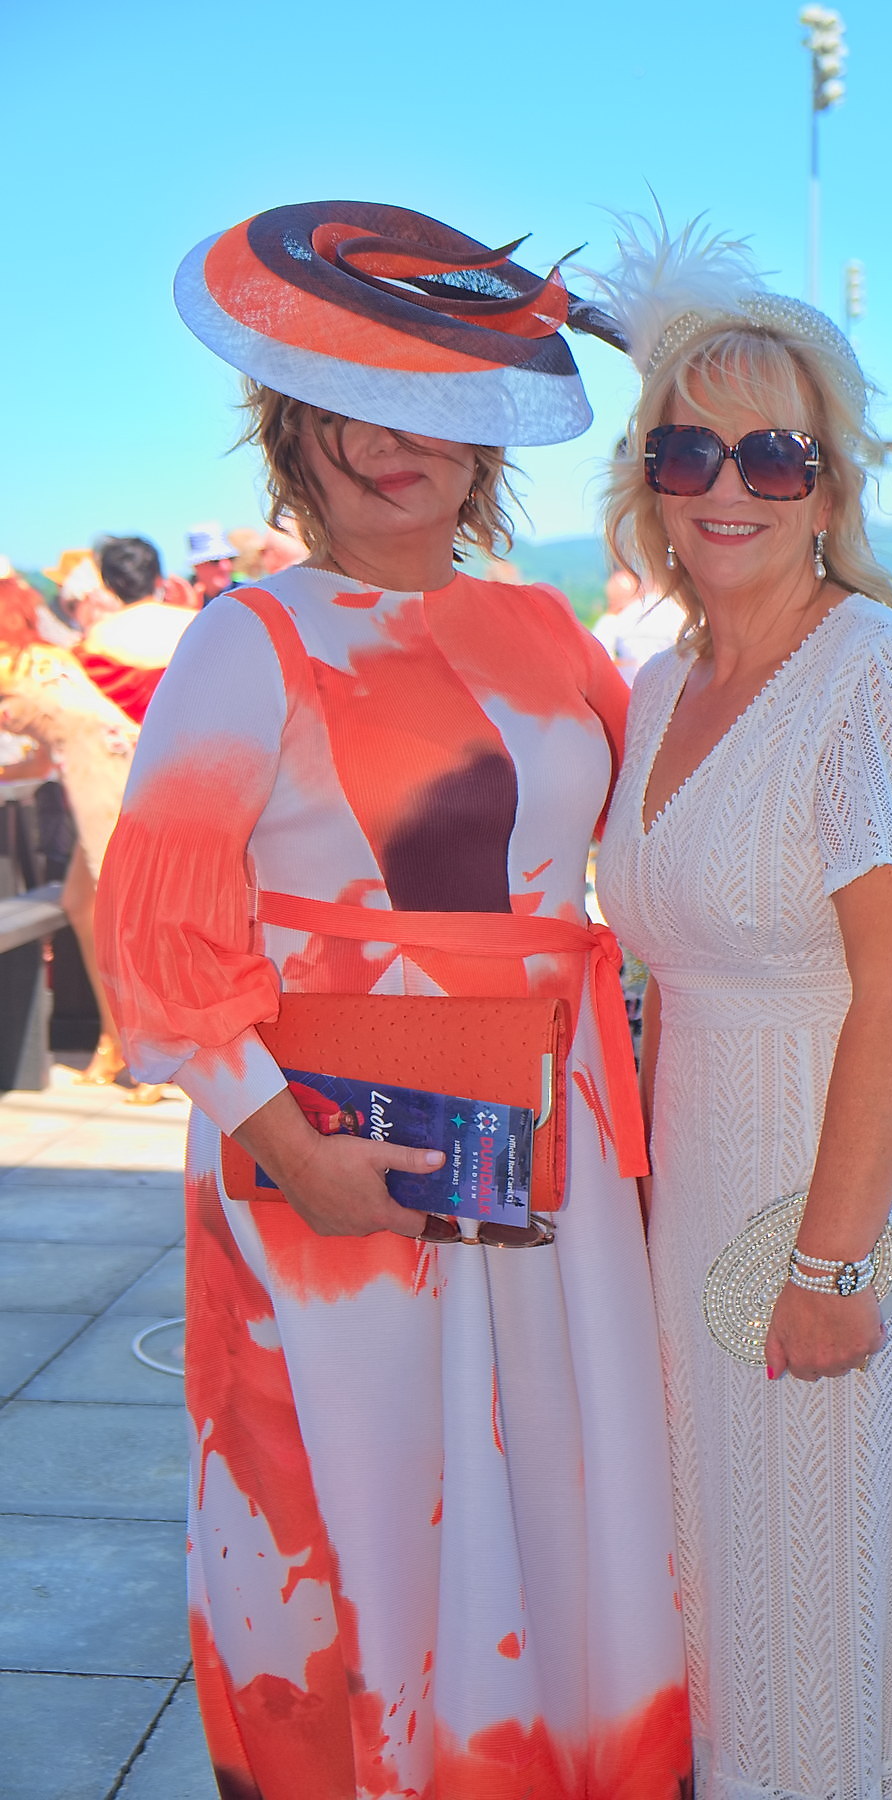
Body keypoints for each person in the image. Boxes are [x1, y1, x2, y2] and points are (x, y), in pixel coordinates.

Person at [95, 200, 689, 1800]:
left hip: (553, 1138)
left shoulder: (548, 629)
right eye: (350, 403)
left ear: (483, 431)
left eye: (431, 400)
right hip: (332, 1151)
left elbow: (659, 843)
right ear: (290, 430)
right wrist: (283, 1147)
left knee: (559, 1478)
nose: (390, 439)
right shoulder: (250, 638)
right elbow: (155, 929)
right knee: (354, 1493)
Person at [592, 216, 892, 1800]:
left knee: (847, 1566)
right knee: (741, 1557)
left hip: (842, 1179)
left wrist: (834, 1264)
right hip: (708, 1163)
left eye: (771, 455)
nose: (724, 486)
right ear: (644, 476)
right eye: (687, 449)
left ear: (832, 489)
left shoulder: (888, 678)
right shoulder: (659, 689)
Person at [0, 572, 143, 1088]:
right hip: (118, 758)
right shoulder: (44, 657)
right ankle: (116, 1040)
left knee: (119, 911)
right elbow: (40, 756)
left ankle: (149, 1054)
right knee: (83, 906)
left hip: (96, 772)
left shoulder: (11, 662)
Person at [79, 536, 196, 723]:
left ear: (109, 585)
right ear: (158, 579)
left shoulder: (94, 640)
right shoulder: (196, 623)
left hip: (132, 748)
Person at [592, 566, 686, 684]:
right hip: (671, 688)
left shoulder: (619, 619)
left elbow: (600, 657)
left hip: (629, 691)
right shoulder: (678, 613)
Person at [186, 521, 238, 602]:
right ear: (197, 566)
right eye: (215, 561)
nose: (226, 567)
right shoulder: (182, 603)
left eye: (230, 559)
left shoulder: (249, 595)